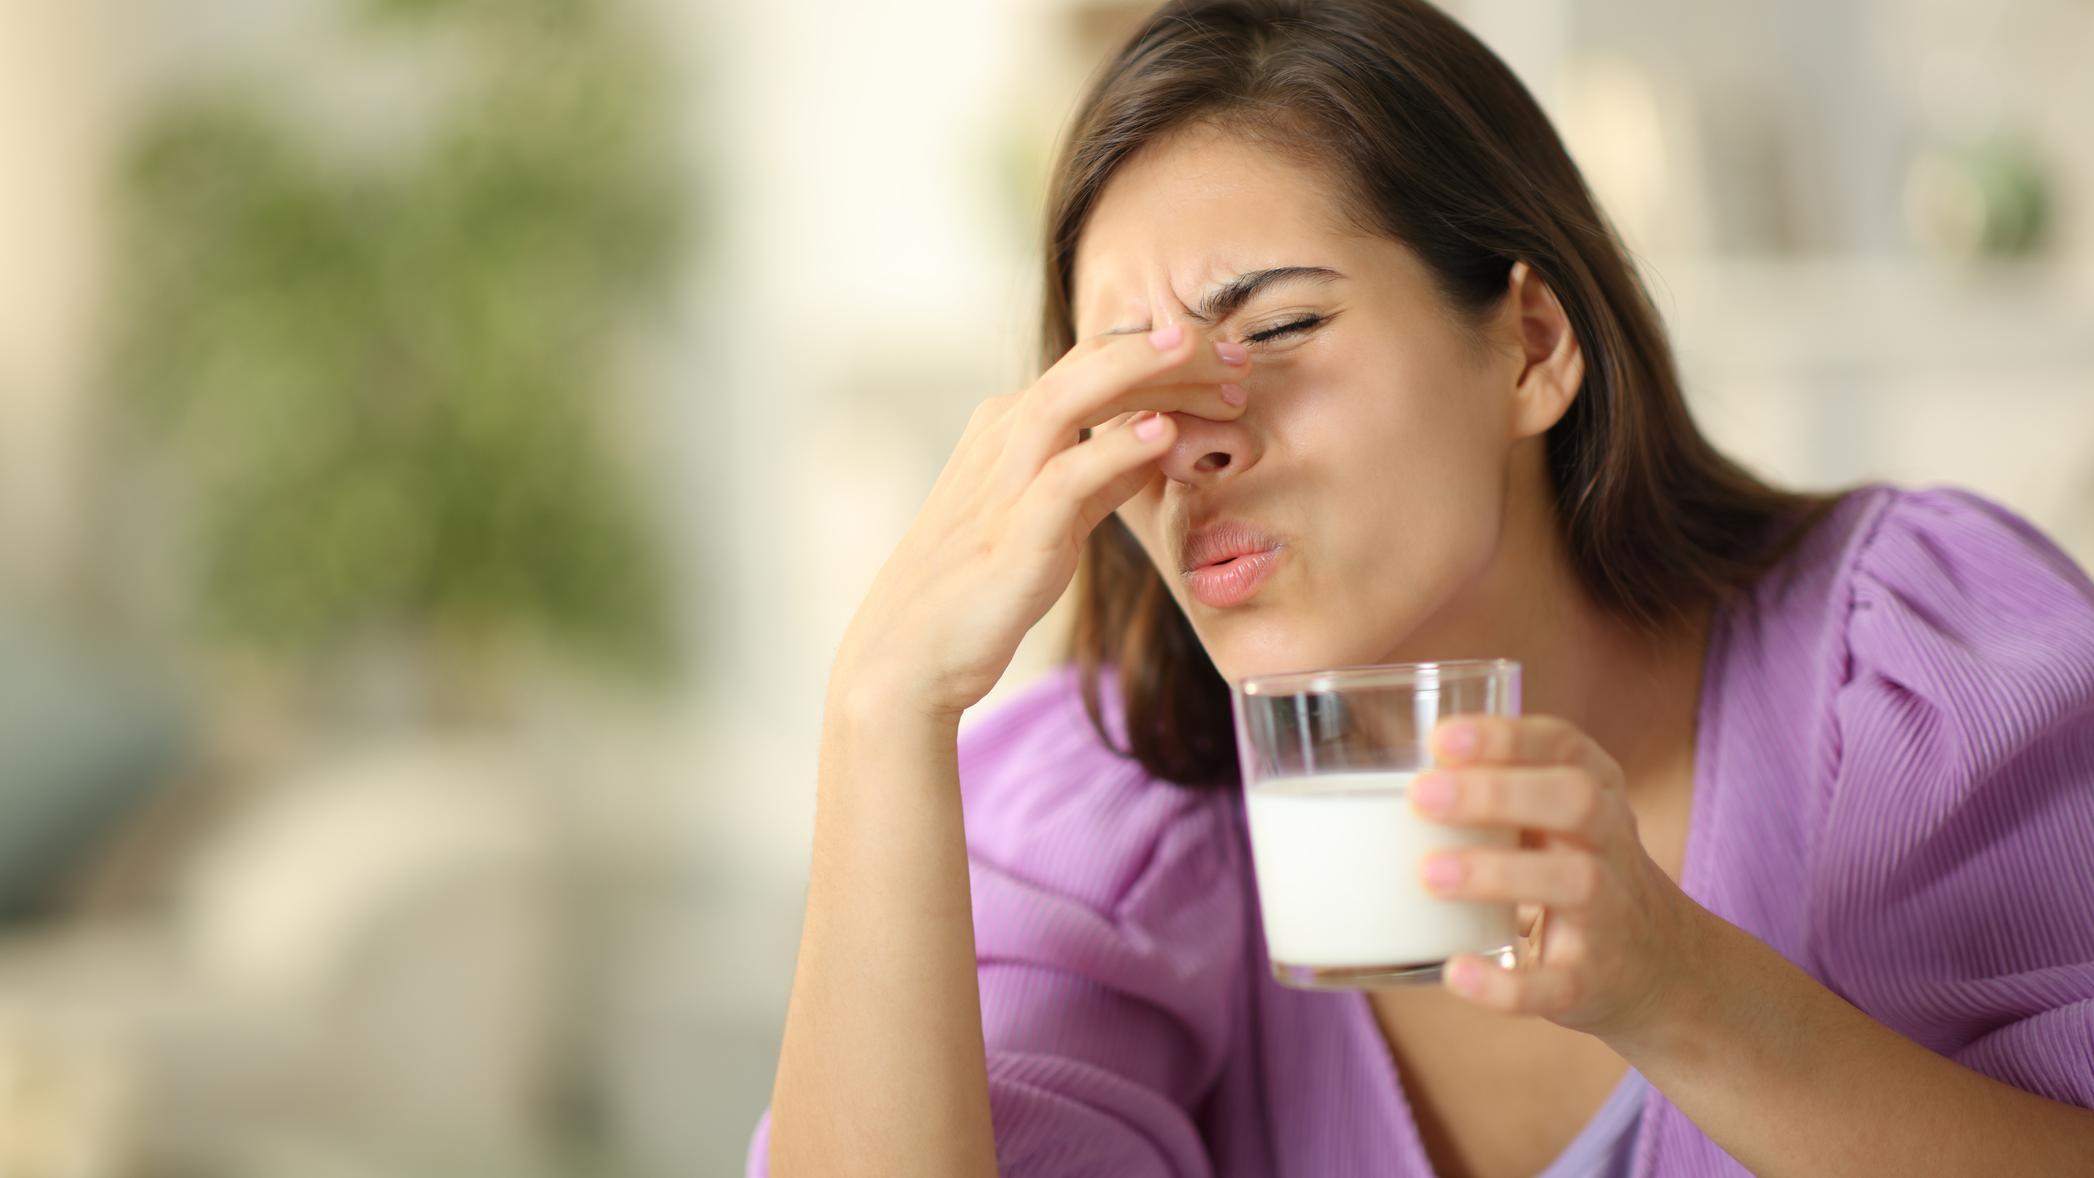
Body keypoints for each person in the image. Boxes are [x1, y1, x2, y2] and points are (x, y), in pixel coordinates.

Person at [752, 1, 2094, 1174]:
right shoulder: (1108, 814)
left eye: (1275, 328)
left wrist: (1676, 987)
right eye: (1126, 389)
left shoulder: (1919, 666)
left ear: (1528, 345)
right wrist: (883, 705)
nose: (1191, 442)